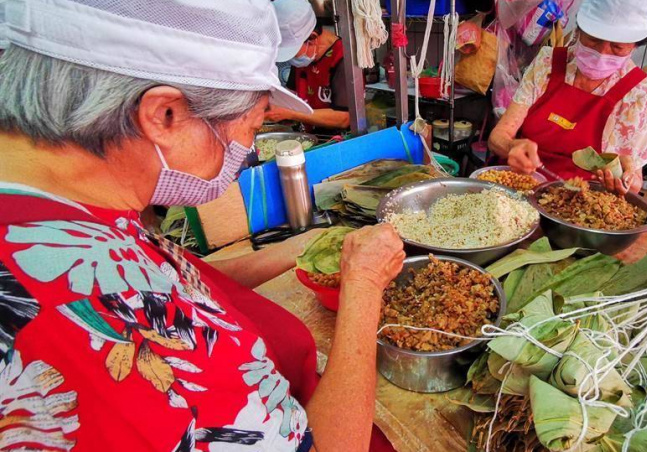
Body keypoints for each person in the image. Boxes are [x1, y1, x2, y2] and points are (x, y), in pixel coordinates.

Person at [0, 1, 404, 451]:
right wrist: (364, 286)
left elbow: (176, 280)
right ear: (165, 116)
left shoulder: (55, 207)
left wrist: (300, 248)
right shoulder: (100, 317)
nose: (244, 152)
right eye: (250, 130)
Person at [489, 0, 647, 195]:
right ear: (579, 30)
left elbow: (634, 181)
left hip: (580, 202)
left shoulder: (640, 95)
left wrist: (625, 180)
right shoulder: (547, 62)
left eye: (617, 47)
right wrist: (510, 146)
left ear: (634, 47)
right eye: (593, 40)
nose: (601, 53)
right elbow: (497, 137)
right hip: (520, 188)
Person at [266, 3, 350, 133]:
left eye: (293, 52)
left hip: (336, 142)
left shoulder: (342, 58)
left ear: (313, 38)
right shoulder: (302, 60)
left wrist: (289, 113)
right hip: (306, 133)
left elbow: (344, 118)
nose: (291, 59)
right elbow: (291, 95)